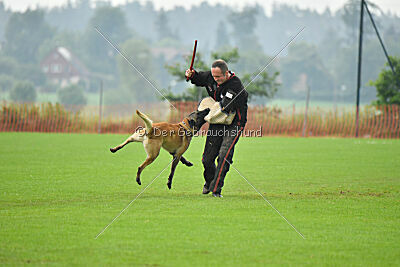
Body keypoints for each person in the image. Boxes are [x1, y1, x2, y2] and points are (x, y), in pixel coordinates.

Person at [185, 59, 248, 198]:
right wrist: (191, 75)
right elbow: (197, 78)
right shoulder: (211, 77)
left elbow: (225, 106)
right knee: (207, 159)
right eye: (214, 77)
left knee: (224, 155)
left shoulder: (235, 86)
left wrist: (205, 113)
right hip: (217, 121)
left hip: (234, 123)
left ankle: (216, 189)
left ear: (226, 73)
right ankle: (209, 182)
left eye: (218, 77)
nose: (215, 80)